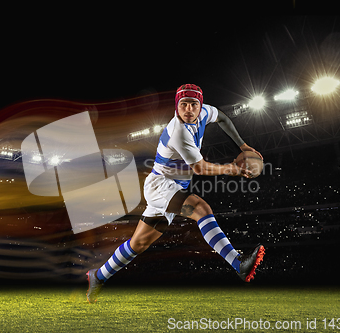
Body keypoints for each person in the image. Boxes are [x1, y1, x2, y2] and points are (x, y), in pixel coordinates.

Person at [86, 84, 265, 303]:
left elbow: (224, 119)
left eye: (193, 104)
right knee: (201, 208)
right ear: (176, 107)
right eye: (183, 104)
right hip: (160, 185)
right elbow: (200, 168)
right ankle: (239, 264)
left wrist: (244, 146)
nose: (188, 109)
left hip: (173, 188)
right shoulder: (178, 131)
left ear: (200, 107)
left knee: (138, 244)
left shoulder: (205, 113)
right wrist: (234, 169)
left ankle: (98, 276)